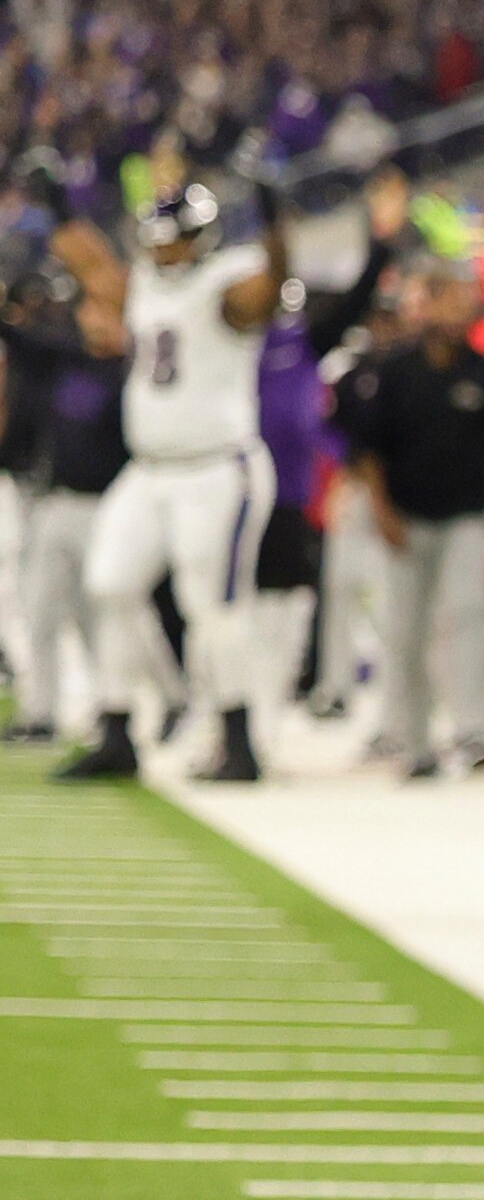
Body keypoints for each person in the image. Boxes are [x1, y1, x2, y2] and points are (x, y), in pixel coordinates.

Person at [64, 176, 288, 786]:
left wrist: (276, 226)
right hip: (150, 469)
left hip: (217, 467)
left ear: (201, 238)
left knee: (211, 605)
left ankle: (239, 737)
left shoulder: (226, 282)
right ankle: (117, 728)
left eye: (173, 242)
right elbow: (91, 265)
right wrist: (59, 204)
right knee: (109, 583)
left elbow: (263, 295)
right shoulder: (142, 285)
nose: (162, 252)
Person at [328, 256, 484, 777]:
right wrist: (381, 511)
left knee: (466, 617)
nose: (461, 307)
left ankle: (471, 731)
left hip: (467, 516)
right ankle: (412, 737)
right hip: (405, 515)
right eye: (451, 296)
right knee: (404, 628)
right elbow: (367, 449)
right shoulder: (395, 371)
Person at [3, 226, 131, 750]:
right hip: (57, 502)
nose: (93, 319)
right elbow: (19, 336)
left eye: (103, 311)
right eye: (87, 311)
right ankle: (42, 711)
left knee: (101, 615)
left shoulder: (131, 372)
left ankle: (117, 708)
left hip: (109, 507)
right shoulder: (67, 361)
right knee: (39, 609)